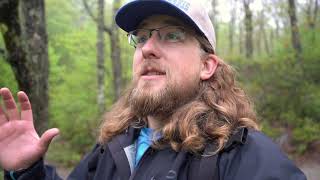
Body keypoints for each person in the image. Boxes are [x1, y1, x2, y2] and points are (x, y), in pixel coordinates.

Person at [0, 0, 306, 179]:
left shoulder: (243, 159)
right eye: (141, 36)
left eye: (172, 35)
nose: (148, 48)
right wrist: (29, 171)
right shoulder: (114, 146)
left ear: (207, 66)